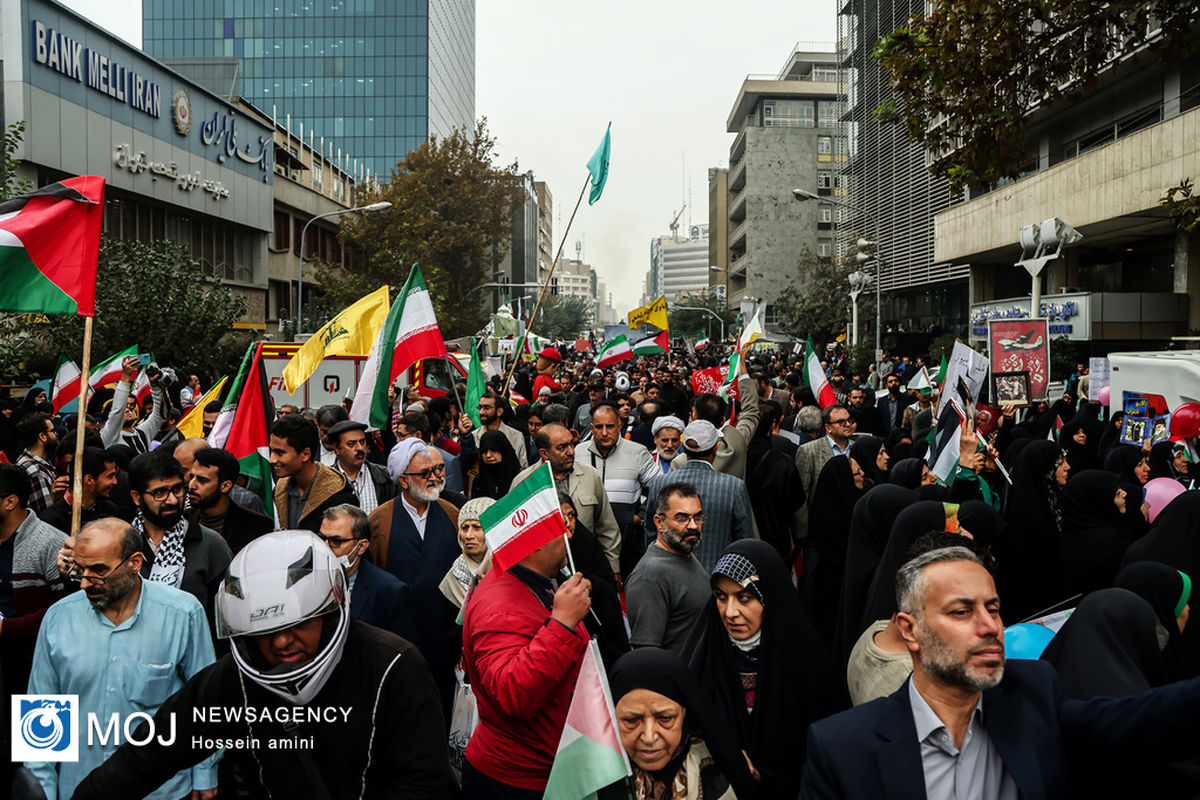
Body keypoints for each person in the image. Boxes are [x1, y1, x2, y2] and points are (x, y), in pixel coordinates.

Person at [70, 529, 451, 798]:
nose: (281, 641)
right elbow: (150, 751)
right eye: (263, 631)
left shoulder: (394, 668)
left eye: (299, 623)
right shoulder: (234, 679)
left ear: (331, 607)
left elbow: (422, 782)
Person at [800, 546, 1200, 799]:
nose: (990, 625)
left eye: (992, 608)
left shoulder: (1032, 695)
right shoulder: (842, 749)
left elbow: (1132, 721)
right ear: (910, 630)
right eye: (962, 611)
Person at [28, 518, 218, 800]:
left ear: (135, 562)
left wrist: (205, 774)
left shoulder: (182, 614)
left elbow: (206, 704)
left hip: (160, 791)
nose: (84, 583)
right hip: (79, 788)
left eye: (99, 570)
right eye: (80, 570)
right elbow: (42, 711)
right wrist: (40, 790)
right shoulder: (58, 618)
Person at [685, 539, 841, 797]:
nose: (730, 612)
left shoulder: (808, 666)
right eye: (721, 597)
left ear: (770, 598)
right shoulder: (703, 658)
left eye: (744, 598)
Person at [461, 526, 592, 796]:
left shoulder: (533, 582)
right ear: (534, 542)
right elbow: (513, 694)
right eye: (557, 529)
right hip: (516, 779)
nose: (568, 535)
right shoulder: (500, 604)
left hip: (546, 768)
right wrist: (563, 624)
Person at [368, 437, 461, 710]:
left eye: (436, 470)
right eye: (424, 473)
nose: (434, 477)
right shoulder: (379, 522)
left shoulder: (451, 514)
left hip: (445, 638)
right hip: (399, 637)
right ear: (404, 481)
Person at [599, 647, 757, 800]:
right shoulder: (593, 779)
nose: (648, 737)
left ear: (685, 715)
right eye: (631, 720)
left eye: (665, 718)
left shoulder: (716, 773)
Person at [0, 462, 68, 752]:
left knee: (39, 752)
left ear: (10, 501)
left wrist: (7, 628)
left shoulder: (52, 544)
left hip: (37, 669)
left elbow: (65, 613)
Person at [512, 423, 623, 576]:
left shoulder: (590, 475)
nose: (571, 451)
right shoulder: (523, 483)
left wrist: (613, 569)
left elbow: (607, 527)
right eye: (562, 447)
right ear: (544, 453)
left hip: (585, 569)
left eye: (572, 444)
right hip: (541, 573)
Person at [643, 420, 755, 570]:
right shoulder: (734, 487)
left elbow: (651, 533)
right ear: (716, 448)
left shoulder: (659, 483)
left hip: (668, 575)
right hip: (717, 578)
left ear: (683, 447)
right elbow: (744, 540)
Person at [625, 482, 712, 657]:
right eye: (682, 518)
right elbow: (646, 654)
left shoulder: (683, 552)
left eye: (698, 517)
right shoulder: (649, 577)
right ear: (659, 522)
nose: (693, 525)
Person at [577, 402, 659, 577]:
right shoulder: (579, 453)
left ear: (619, 426)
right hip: (586, 542)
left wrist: (640, 516)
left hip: (627, 543)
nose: (604, 432)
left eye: (610, 426)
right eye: (599, 427)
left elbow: (659, 488)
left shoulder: (637, 452)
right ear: (591, 428)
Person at [319, 503, 416, 641]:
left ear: (361, 546)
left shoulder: (390, 591)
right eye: (322, 538)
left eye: (336, 541)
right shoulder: (308, 581)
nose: (325, 547)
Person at [805, 455, 867, 647]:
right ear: (844, 479)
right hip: (833, 590)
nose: (863, 474)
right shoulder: (838, 518)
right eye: (858, 472)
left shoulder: (836, 504)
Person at [269, 414, 356, 532]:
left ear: (305, 454)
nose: (272, 460)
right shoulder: (280, 489)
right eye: (271, 451)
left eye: (280, 453)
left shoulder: (339, 494)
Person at [671, 367, 760, 480]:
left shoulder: (680, 462)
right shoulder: (736, 441)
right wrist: (742, 372)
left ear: (694, 417)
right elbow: (751, 412)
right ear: (723, 421)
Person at [1059, 469, 1136, 597]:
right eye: (1116, 493)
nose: (1124, 494)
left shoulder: (1072, 536)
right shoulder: (1111, 547)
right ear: (1099, 501)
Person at [186, 445, 274, 554]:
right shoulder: (182, 520)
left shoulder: (257, 525)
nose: (191, 485)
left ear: (225, 486)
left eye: (202, 480)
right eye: (191, 477)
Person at [794, 403, 856, 543]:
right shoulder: (809, 451)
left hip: (851, 528)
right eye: (841, 422)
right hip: (821, 531)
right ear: (828, 427)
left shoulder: (857, 448)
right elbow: (802, 493)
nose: (847, 424)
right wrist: (803, 534)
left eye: (849, 420)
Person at [37, 446, 119, 534]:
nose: (115, 482)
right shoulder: (51, 522)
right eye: (110, 476)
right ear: (89, 480)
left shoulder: (108, 511)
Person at [326, 419, 395, 514]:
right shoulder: (325, 481)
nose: (359, 448)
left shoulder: (385, 476)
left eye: (362, 442)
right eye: (351, 444)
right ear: (337, 448)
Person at [99, 356, 165, 453]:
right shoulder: (110, 435)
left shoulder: (143, 431)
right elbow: (118, 410)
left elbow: (159, 413)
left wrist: (155, 386)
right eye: (123, 408)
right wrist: (125, 376)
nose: (127, 409)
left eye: (129, 407)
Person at [439, 496, 494, 609]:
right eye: (464, 528)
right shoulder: (454, 577)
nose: (468, 535)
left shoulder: (512, 571)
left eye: (477, 527)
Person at [15, 412, 58, 513]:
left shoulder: (35, 461)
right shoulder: (35, 470)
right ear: (42, 436)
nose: (56, 434)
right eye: (52, 431)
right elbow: (46, 515)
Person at [474, 391, 529, 468]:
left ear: (499, 411)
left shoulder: (516, 436)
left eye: (486, 408)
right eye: (480, 408)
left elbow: (523, 467)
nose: (481, 412)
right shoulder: (473, 436)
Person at [472, 429, 522, 500]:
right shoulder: (479, 481)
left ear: (503, 450)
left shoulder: (519, 479)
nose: (488, 455)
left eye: (493, 450)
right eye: (484, 451)